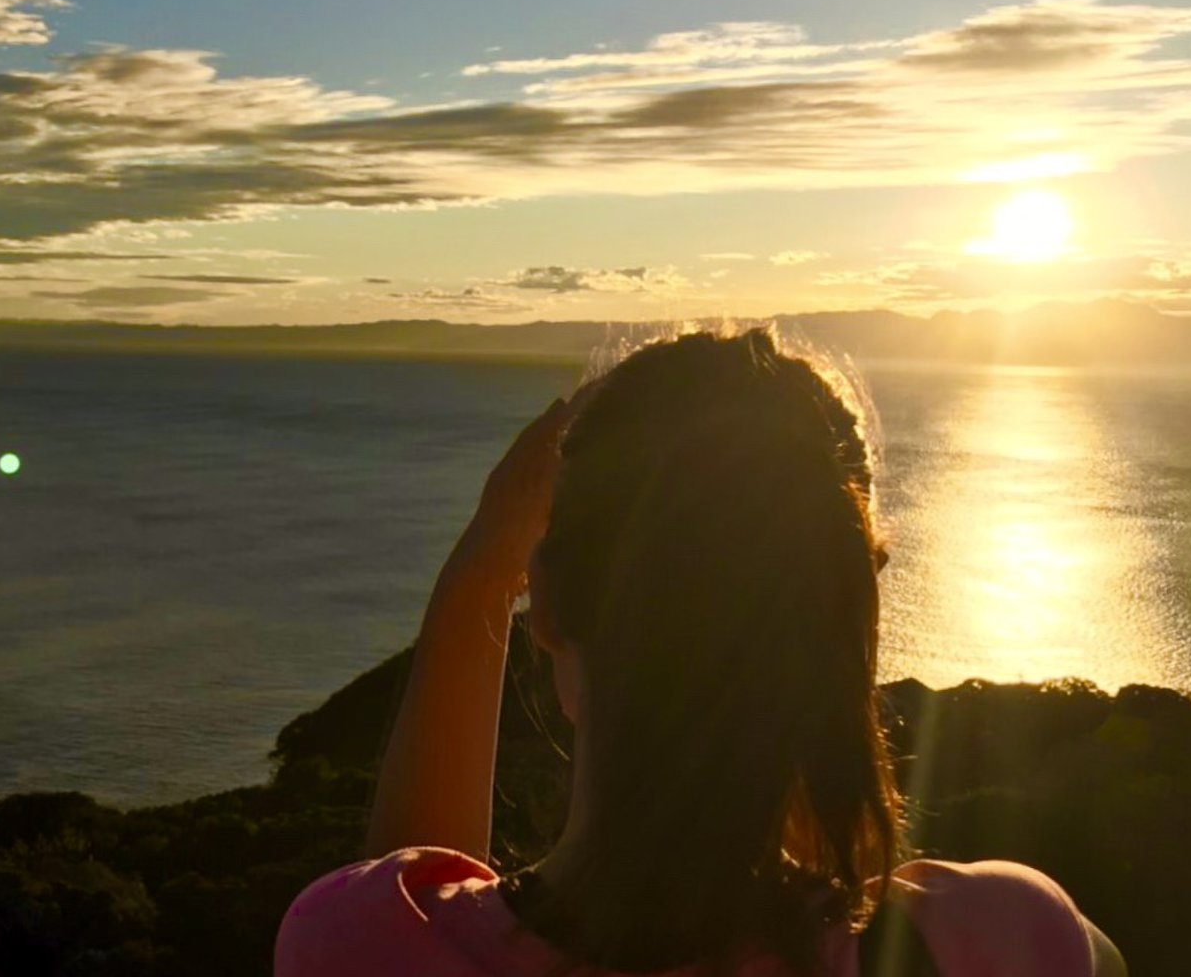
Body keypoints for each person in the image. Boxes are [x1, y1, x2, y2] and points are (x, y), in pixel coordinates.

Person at [275, 328, 1127, 976]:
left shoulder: (353, 939)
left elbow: (411, 900)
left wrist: (480, 578)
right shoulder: (994, 941)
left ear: (552, 608)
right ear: (842, 617)